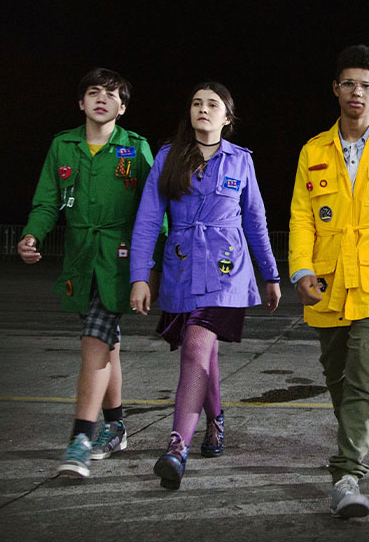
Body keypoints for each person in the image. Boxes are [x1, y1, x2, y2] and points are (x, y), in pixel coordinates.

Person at [288, 44, 369, 518]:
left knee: (364, 370)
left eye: (366, 85)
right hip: (327, 281)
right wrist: (301, 270)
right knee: (336, 373)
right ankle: (352, 445)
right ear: (336, 89)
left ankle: (347, 475)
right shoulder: (313, 150)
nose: (356, 92)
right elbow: (302, 217)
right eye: (349, 83)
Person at [129, 82, 281, 490]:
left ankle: (176, 446)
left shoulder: (240, 161)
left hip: (227, 269)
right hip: (182, 267)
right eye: (197, 102)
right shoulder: (168, 157)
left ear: (227, 118)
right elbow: (148, 220)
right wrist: (140, 277)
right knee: (204, 352)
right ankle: (216, 419)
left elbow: (256, 221)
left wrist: (270, 275)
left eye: (213, 104)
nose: (203, 108)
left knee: (196, 345)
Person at [18, 68, 164, 478]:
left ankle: (80, 439)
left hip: (119, 261)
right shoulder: (62, 146)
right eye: (94, 92)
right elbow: (47, 201)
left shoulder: (136, 148)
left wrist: (150, 270)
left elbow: (154, 210)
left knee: (94, 339)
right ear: (81, 102)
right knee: (106, 345)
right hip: (81, 261)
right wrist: (32, 235)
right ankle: (116, 427)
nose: (102, 98)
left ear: (123, 107)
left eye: (112, 94)